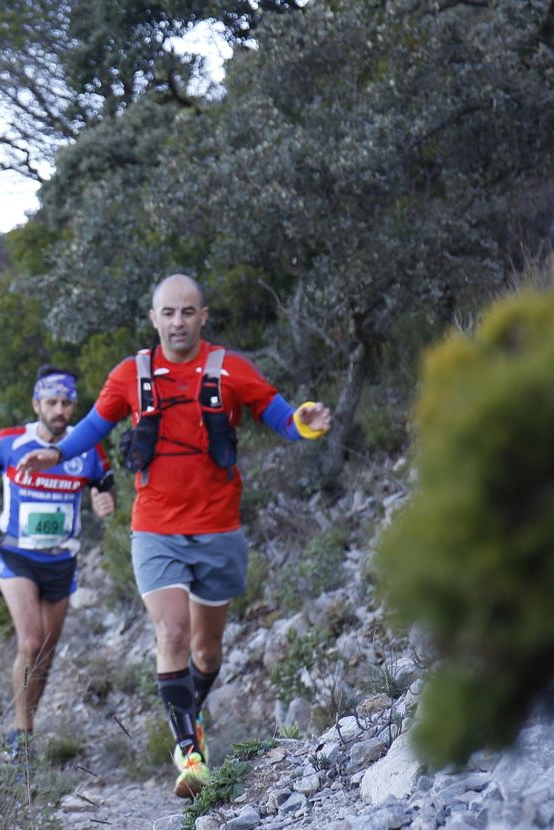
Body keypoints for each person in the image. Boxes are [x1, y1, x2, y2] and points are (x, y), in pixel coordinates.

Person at [17, 274, 330, 799]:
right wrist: (57, 452)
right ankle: (190, 753)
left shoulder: (230, 369)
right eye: (169, 313)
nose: (178, 323)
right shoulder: (130, 375)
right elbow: (93, 426)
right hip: (155, 528)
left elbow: (280, 418)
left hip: (218, 528)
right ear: (154, 318)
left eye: (188, 313)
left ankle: (193, 711)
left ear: (203, 317)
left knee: (207, 652)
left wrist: (305, 423)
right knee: (173, 634)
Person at [0, 366, 114, 763]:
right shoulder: (10, 443)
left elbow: (104, 484)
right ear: (36, 404)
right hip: (15, 554)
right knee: (30, 641)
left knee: (46, 650)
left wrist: (103, 500)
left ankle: (26, 728)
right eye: (51, 402)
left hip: (61, 559)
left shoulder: (88, 449)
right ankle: (20, 736)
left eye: (66, 403)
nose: (59, 410)